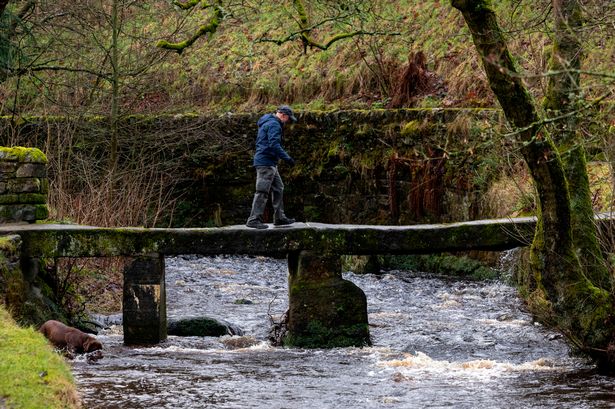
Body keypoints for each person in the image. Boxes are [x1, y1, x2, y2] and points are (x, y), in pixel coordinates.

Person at [246, 105, 297, 229]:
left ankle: (279, 218)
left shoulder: (268, 121)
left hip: (269, 162)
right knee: (262, 191)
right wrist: (287, 158)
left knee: (278, 188)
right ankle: (253, 219)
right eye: (288, 119)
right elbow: (274, 144)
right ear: (283, 115)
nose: (288, 122)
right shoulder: (274, 124)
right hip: (266, 163)